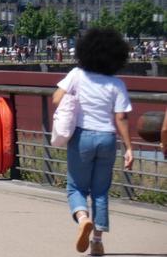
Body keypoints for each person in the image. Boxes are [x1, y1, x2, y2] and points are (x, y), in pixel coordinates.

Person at [52, 28, 133, 256]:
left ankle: (82, 218)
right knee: (100, 192)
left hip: (82, 136)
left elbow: (57, 98)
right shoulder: (117, 84)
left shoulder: (77, 74)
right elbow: (121, 117)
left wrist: (76, 99)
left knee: (76, 186)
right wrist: (129, 147)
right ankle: (97, 241)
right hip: (107, 138)